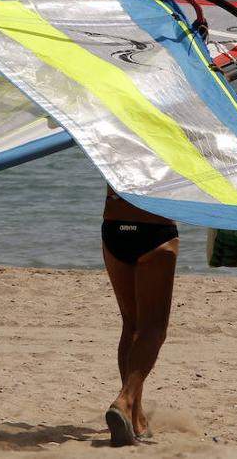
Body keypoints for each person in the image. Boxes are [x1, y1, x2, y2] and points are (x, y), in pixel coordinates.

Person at [100, 184, 179, 446]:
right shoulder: (173, 139)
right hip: (155, 229)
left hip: (114, 227)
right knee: (153, 329)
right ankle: (125, 401)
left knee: (131, 325)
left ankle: (135, 416)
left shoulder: (114, 139)